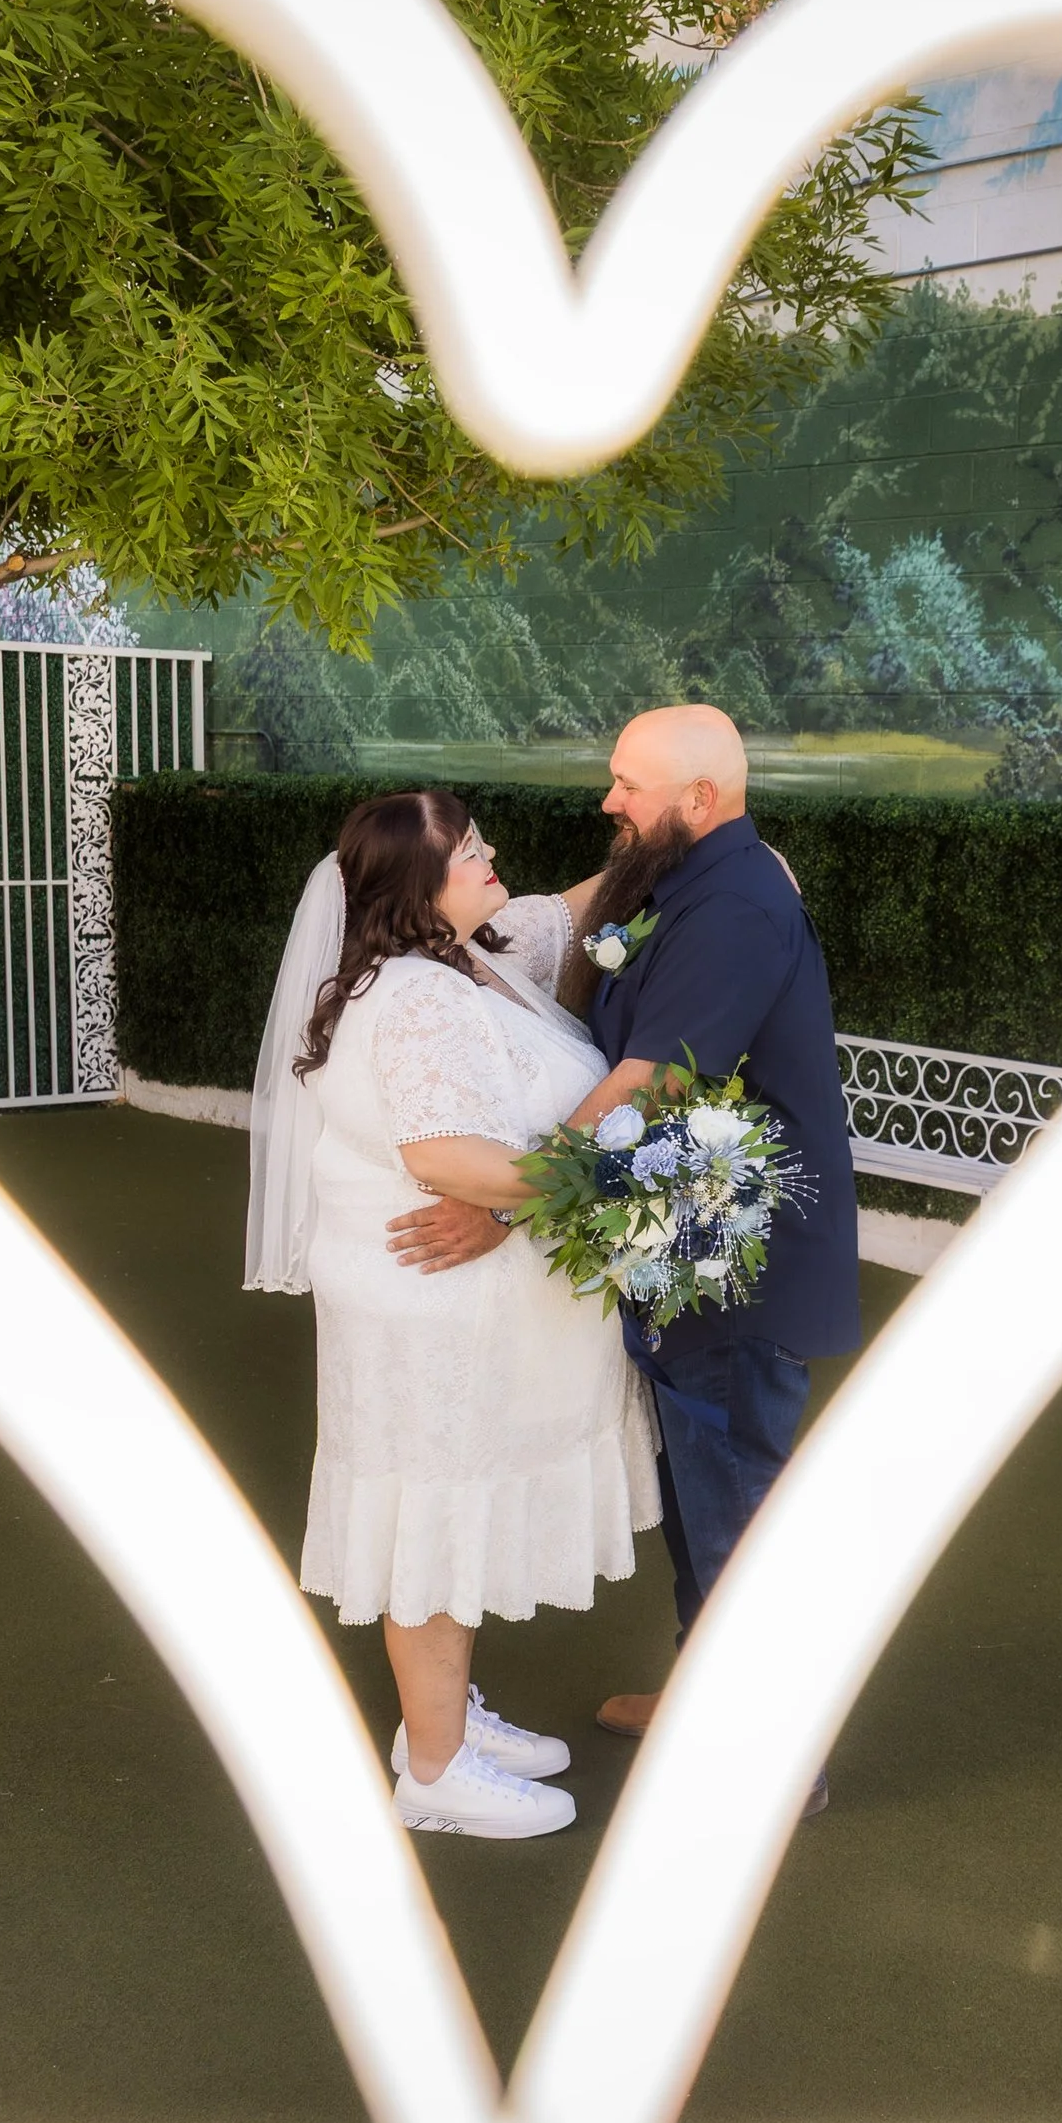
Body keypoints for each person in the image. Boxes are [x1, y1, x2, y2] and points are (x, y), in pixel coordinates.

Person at [388, 708, 859, 1812]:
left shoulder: (735, 905)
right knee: (700, 1491)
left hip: (741, 1252)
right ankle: (705, 1691)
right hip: (677, 1240)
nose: (610, 802)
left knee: (738, 1500)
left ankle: (772, 1755)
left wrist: (507, 1212)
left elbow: (646, 1087)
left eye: (629, 786)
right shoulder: (675, 880)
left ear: (698, 801)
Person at [245, 788, 658, 1840]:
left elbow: (563, 909)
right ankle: (433, 1770)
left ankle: (443, 1724)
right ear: (417, 885)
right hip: (429, 1309)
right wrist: (609, 1175)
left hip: (432, 1305)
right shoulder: (421, 996)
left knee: (447, 1509)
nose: (490, 856)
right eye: (470, 849)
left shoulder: (469, 961)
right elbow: (446, 1158)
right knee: (432, 1517)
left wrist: (674, 839)